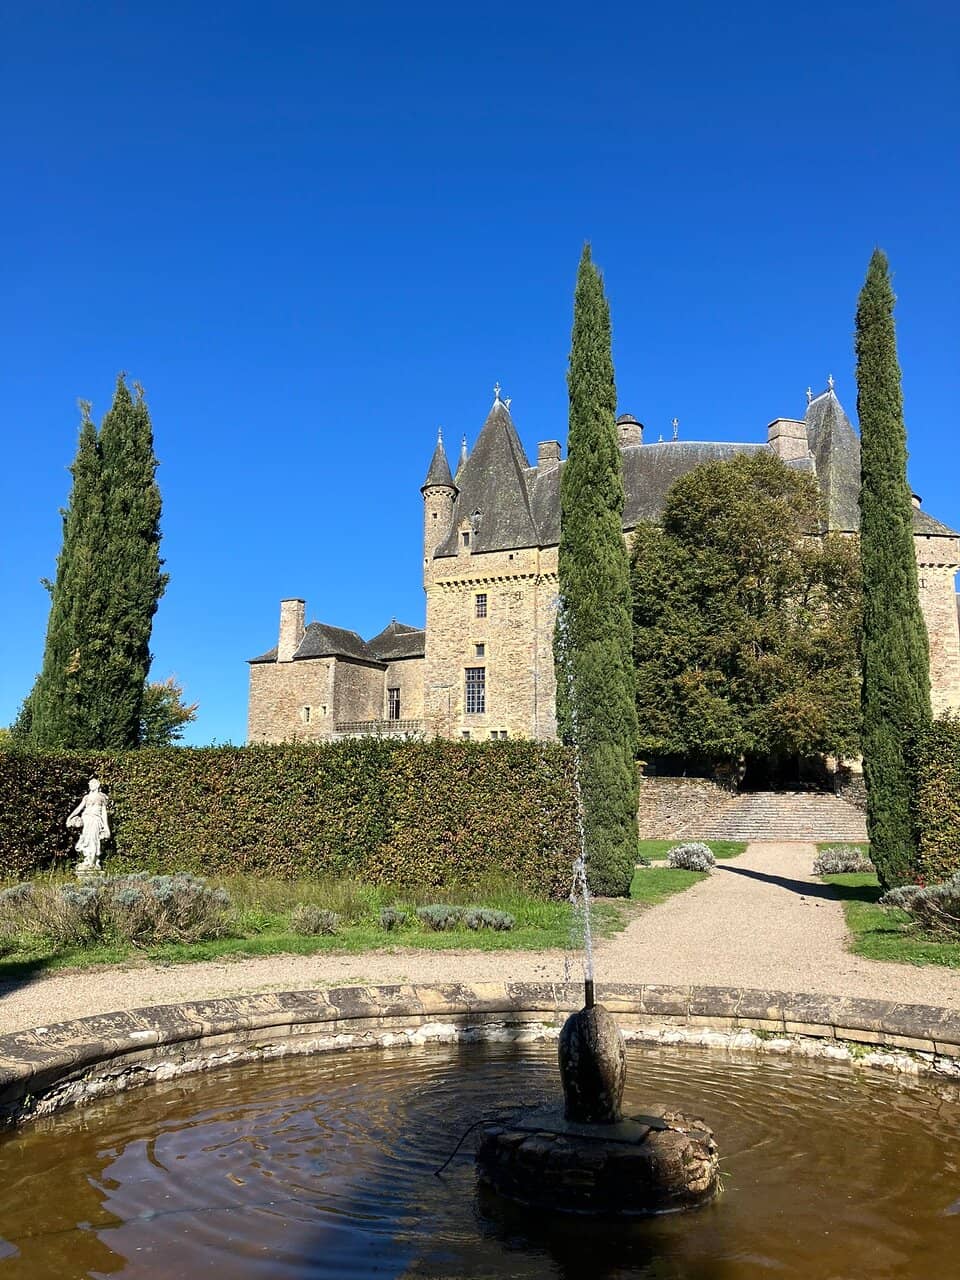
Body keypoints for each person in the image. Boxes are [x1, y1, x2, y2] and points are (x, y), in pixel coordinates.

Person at [67, 778, 110, 873]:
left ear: (97, 785)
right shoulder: (86, 797)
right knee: (86, 839)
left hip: (95, 820)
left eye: (93, 784)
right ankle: (88, 859)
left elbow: (104, 813)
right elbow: (79, 808)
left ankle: (92, 861)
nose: (91, 785)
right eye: (90, 784)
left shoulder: (101, 797)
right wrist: (70, 817)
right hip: (86, 819)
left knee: (93, 839)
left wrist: (106, 827)